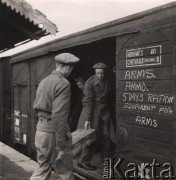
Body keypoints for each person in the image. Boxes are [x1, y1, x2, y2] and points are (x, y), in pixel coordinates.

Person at [30, 53, 79, 180]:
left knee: (42, 168)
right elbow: (59, 117)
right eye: (71, 69)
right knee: (65, 173)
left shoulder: (44, 81)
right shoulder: (63, 84)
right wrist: (61, 146)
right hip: (53, 134)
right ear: (68, 68)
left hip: (40, 131)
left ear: (57, 64)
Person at [77, 62, 116, 170]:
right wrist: (88, 119)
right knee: (90, 137)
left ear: (105, 72)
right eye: (98, 73)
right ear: (95, 72)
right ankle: (83, 161)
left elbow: (110, 97)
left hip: (104, 113)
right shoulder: (89, 83)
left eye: (102, 73)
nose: (100, 76)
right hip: (92, 113)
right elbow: (88, 102)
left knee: (107, 135)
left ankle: (106, 160)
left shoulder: (109, 81)